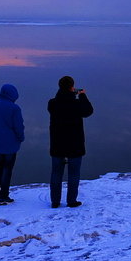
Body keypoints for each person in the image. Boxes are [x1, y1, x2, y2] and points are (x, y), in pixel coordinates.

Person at [48, 75, 94, 208]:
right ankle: (71, 201)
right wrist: (82, 95)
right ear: (71, 87)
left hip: (57, 144)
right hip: (75, 145)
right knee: (74, 174)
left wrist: (67, 94)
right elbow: (89, 111)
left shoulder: (52, 103)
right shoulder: (77, 104)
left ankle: (55, 201)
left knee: (56, 174)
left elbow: (58, 101)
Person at [0, 83, 25, 205]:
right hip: (11, 144)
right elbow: (18, 127)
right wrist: (21, 138)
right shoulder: (14, 108)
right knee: (7, 169)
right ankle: (4, 195)